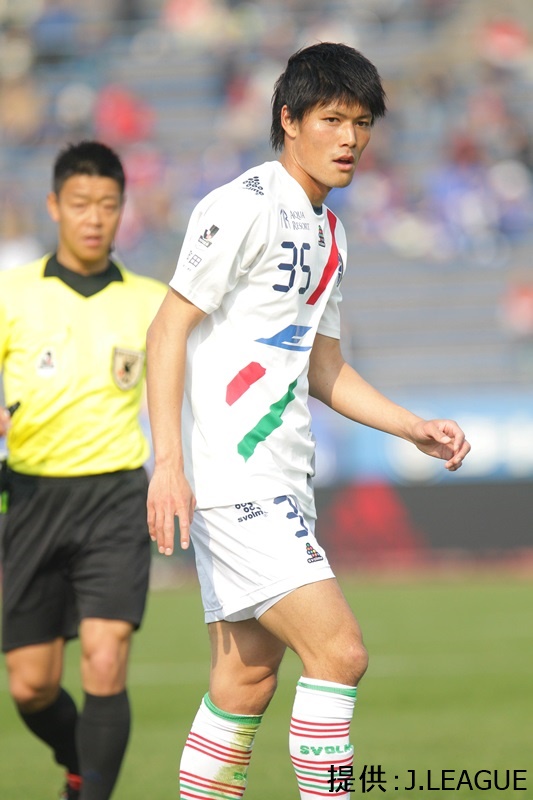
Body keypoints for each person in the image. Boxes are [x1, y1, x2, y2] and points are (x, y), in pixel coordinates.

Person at [146, 42, 471, 799]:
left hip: (283, 475)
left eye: (361, 123)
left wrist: (410, 426)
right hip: (235, 478)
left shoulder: (331, 232)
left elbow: (322, 367)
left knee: (246, 677)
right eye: (331, 119)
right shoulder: (244, 205)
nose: (349, 138)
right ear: (288, 120)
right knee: (340, 652)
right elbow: (167, 329)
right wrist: (168, 464)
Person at [0, 140, 166, 800]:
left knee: (105, 657)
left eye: (107, 204)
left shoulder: (153, 303)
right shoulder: (12, 292)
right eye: (79, 204)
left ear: (123, 209)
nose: (94, 218)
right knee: (31, 685)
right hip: (30, 497)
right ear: (53, 206)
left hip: (115, 497)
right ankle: (81, 768)